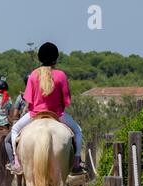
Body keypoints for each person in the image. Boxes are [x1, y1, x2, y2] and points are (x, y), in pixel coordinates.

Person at [9, 42, 86, 175]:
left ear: (40, 58)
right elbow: (67, 101)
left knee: (15, 129)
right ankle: (77, 162)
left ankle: (17, 162)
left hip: (35, 114)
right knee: (78, 131)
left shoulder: (33, 75)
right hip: (57, 114)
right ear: (55, 58)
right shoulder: (61, 75)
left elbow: (28, 100)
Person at [5, 74, 29, 174]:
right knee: (75, 132)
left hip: (27, 119)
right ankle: (76, 161)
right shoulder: (42, 92)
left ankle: (14, 162)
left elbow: (15, 114)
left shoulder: (21, 96)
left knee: (7, 140)